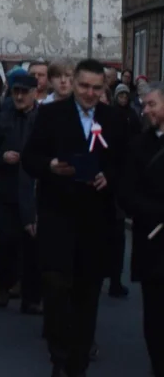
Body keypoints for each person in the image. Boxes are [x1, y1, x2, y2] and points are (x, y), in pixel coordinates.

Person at [22, 58, 129, 377]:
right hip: (58, 216)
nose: (89, 93)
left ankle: (78, 362)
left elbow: (124, 162)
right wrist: (51, 166)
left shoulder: (113, 119)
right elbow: (30, 158)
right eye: (84, 86)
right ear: (74, 83)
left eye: (97, 88)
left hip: (96, 221)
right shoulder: (51, 115)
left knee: (87, 294)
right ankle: (59, 355)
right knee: (55, 289)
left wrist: (108, 177)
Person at [0, 68, 42, 313]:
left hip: (35, 192)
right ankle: (3, 284)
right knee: (7, 244)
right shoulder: (1, 119)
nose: (19, 97)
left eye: (24, 93)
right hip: (6, 191)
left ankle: (30, 297)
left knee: (33, 248)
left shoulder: (43, 120)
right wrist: (1, 157)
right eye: (16, 92)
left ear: (34, 93)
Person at [120, 82, 164, 377]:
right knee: (156, 315)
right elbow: (126, 194)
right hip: (153, 243)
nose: (144, 110)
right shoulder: (139, 145)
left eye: (151, 104)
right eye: (144, 104)